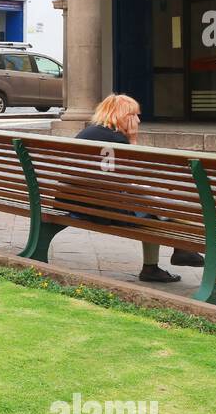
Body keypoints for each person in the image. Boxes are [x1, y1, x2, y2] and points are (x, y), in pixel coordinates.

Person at [75, 94, 203, 284]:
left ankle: (180, 251)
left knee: (154, 202)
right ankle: (176, 252)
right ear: (122, 115)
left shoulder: (89, 133)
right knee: (157, 206)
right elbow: (134, 176)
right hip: (104, 210)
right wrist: (133, 139)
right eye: (134, 115)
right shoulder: (117, 139)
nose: (139, 120)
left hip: (78, 203)